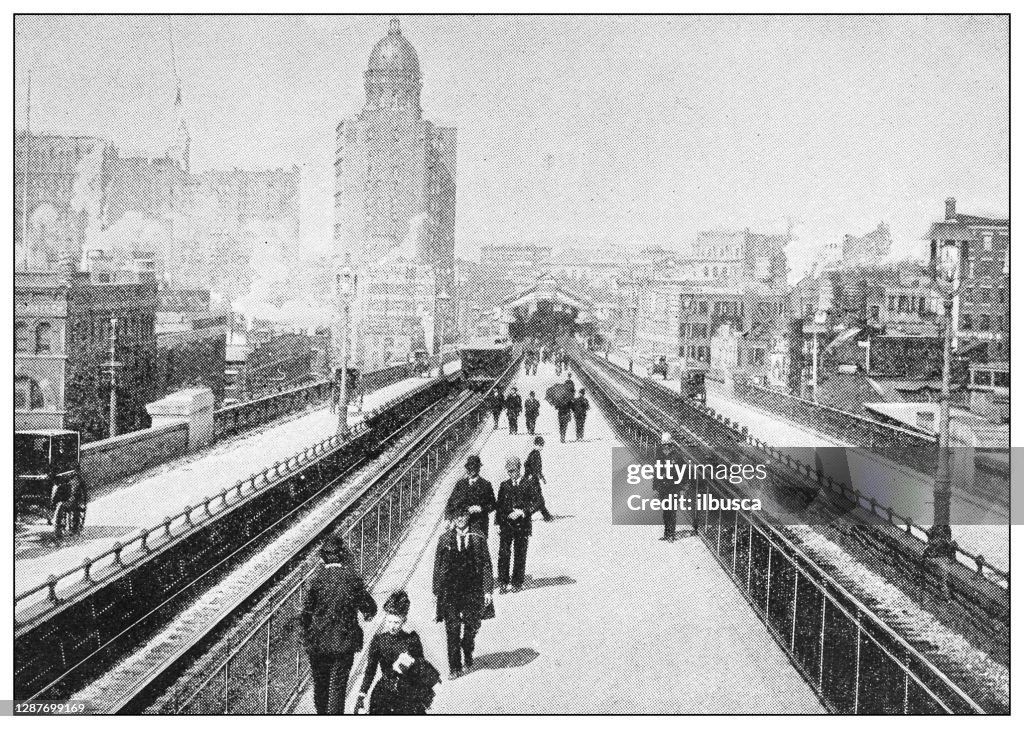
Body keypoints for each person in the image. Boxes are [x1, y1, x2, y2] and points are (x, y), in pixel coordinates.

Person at [301, 534, 378, 714]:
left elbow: (305, 614)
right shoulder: (351, 578)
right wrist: (368, 613)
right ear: (342, 555)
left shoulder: (315, 581)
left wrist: (307, 634)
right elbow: (368, 605)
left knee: (320, 685)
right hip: (343, 643)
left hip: (317, 644)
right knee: (338, 686)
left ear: (322, 558)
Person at [433, 508, 495, 679]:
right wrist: (436, 594)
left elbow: (486, 565)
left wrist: (488, 590)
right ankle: (454, 667)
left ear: (469, 516)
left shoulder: (478, 537)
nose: (461, 519)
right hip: (450, 591)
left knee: (472, 625)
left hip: (472, 590)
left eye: (464, 515)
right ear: (453, 518)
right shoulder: (444, 539)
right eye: (457, 516)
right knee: (452, 628)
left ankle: (467, 648)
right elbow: (437, 568)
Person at [355, 591, 440, 715]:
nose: (392, 626)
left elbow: (421, 666)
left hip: (409, 691)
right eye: (389, 621)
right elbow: (370, 670)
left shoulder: (412, 639)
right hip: (386, 691)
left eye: (396, 622)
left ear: (404, 621)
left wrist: (412, 664)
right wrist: (361, 695)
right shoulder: (378, 641)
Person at [496, 455, 542, 592]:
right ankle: (503, 582)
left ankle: (517, 582)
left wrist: (523, 512)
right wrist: (498, 523)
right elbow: (499, 506)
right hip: (506, 525)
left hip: (522, 525)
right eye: (509, 471)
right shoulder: (504, 485)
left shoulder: (528, 484)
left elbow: (538, 502)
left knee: (520, 553)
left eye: (514, 471)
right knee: (504, 554)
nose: (512, 474)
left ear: (519, 469)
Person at [445, 454, 496, 538]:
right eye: (469, 468)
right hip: (461, 523)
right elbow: (451, 502)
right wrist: (448, 518)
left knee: (477, 548)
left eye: (474, 468)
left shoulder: (486, 485)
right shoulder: (460, 484)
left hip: (479, 523)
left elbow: (493, 504)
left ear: (478, 469)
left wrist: (481, 508)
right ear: (467, 469)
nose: (471, 470)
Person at [653, 433, 681, 542]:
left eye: (667, 444)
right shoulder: (659, 454)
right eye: (664, 444)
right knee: (666, 511)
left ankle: (671, 534)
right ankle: (666, 533)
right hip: (663, 487)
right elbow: (656, 471)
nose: (665, 446)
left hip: (674, 487)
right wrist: (655, 486)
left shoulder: (677, 456)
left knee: (672, 511)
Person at [524, 436, 553, 521]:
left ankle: (546, 516)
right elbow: (533, 467)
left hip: (533, 479)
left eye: (542, 445)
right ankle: (527, 515)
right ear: (536, 444)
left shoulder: (534, 453)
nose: (541, 447)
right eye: (540, 445)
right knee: (538, 500)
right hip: (532, 481)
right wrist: (532, 475)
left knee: (538, 499)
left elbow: (532, 467)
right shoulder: (534, 454)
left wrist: (541, 477)